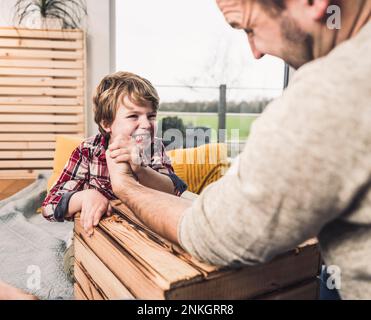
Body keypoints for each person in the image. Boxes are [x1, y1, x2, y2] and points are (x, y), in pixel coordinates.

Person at [106, 0, 371, 299]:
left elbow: (214, 232)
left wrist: (126, 185)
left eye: (250, 28)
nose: (255, 52)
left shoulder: (331, 90)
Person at [42, 71, 187, 236]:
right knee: (71, 259)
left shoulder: (154, 147)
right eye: (133, 116)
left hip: (146, 230)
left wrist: (140, 169)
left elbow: (173, 191)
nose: (146, 124)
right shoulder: (88, 151)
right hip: (98, 235)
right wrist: (85, 196)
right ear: (107, 123)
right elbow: (49, 206)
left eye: (151, 116)